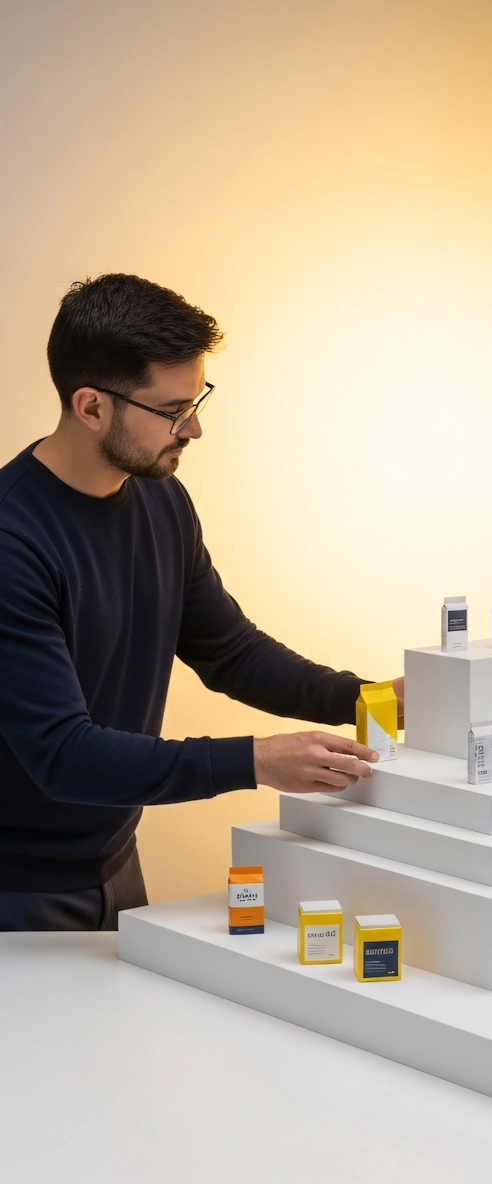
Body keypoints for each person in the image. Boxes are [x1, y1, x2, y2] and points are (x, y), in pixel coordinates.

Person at [0, 274, 399, 931]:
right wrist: (255, 760)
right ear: (91, 407)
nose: (194, 427)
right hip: (16, 890)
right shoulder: (13, 541)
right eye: (172, 409)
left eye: (198, 399)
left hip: (112, 862)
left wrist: (369, 699)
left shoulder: (160, 498)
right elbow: (62, 754)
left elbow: (230, 651)